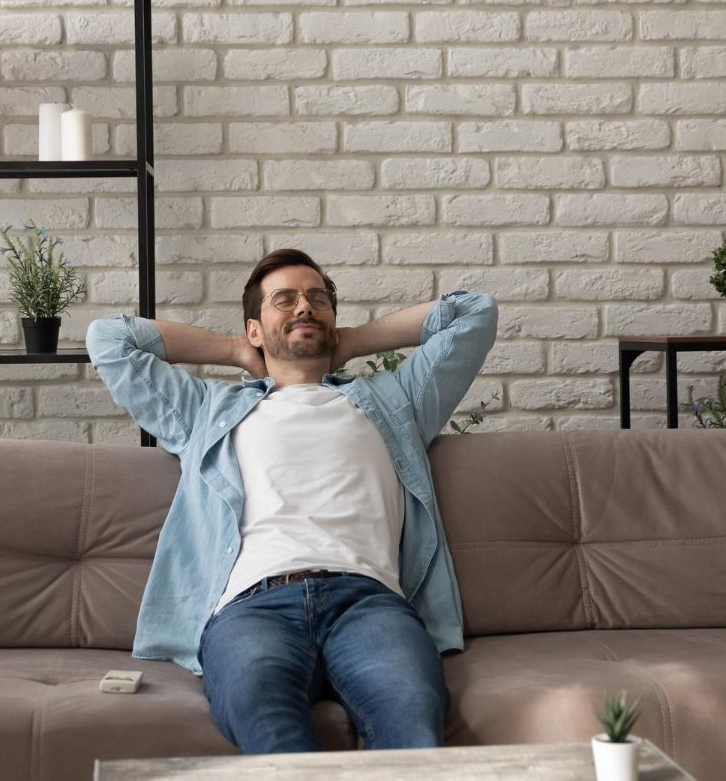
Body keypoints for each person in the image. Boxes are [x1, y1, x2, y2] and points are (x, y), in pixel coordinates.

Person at [85, 248, 498, 754]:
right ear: (255, 327)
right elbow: (110, 339)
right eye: (284, 300)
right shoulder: (207, 411)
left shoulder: (397, 403)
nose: (305, 307)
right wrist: (238, 350)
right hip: (253, 609)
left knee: (410, 715)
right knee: (265, 720)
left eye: (317, 299)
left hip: (368, 604)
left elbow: (472, 311)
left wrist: (348, 345)